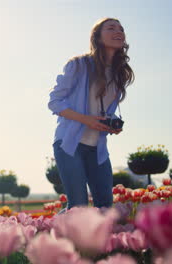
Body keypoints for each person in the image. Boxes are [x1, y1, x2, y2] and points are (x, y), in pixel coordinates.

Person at [48, 18, 135, 212]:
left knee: (105, 207)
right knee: (78, 207)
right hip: (69, 145)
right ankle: (48, 232)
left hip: (98, 149)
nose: (118, 31)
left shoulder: (119, 74)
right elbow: (54, 101)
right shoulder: (78, 65)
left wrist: (110, 125)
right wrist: (85, 119)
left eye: (121, 29)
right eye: (111, 28)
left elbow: (102, 111)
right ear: (97, 36)